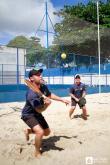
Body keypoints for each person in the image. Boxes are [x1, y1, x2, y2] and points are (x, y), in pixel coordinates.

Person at [21, 67, 69, 157]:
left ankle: (28, 131)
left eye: (40, 74)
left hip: (37, 113)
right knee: (40, 132)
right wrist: (47, 105)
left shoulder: (42, 86)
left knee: (47, 133)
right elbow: (38, 110)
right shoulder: (31, 94)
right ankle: (37, 152)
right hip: (28, 114)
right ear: (31, 78)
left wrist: (62, 100)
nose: (41, 76)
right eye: (38, 75)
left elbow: (50, 95)